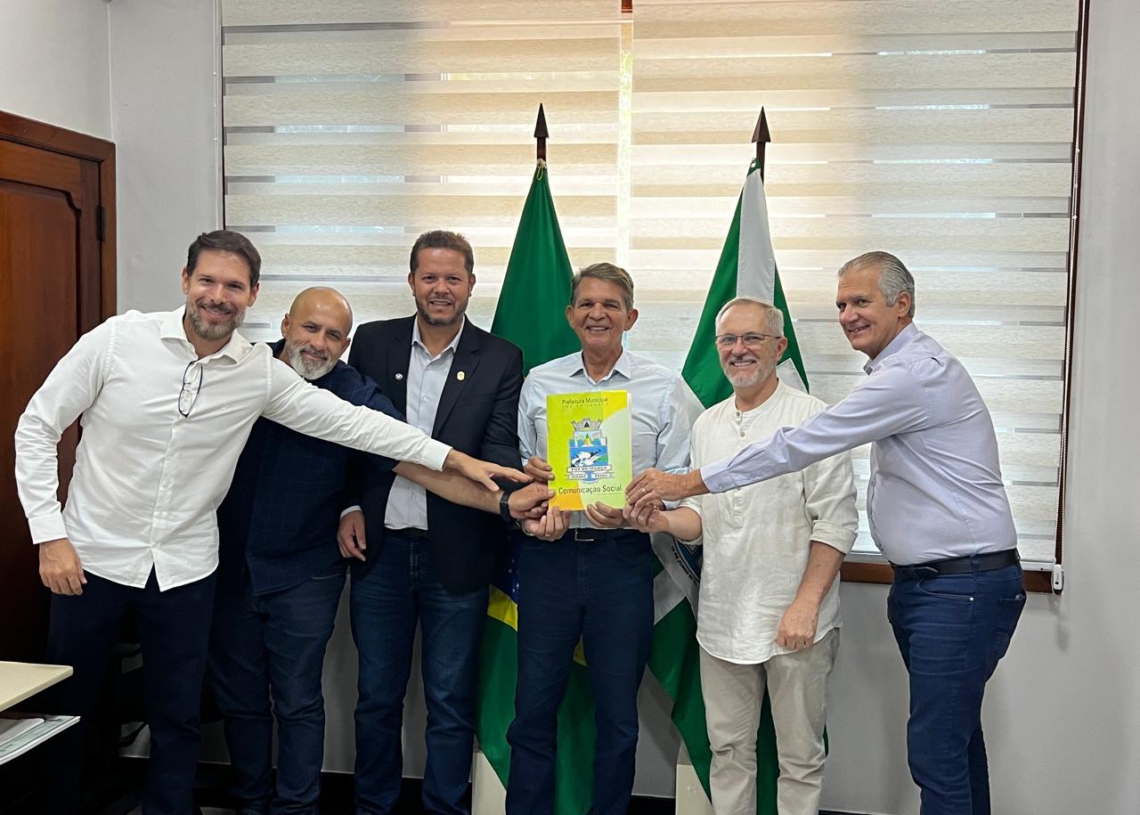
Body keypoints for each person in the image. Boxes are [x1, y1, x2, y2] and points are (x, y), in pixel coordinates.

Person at [13, 230, 521, 815]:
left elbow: (358, 426)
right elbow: (37, 427)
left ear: (252, 295)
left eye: (233, 286)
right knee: (69, 709)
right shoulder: (117, 340)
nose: (218, 296)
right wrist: (49, 535)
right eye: (208, 281)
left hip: (185, 569)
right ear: (186, 281)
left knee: (177, 717)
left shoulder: (256, 373)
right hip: (88, 558)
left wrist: (456, 459)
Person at [628, 252, 1027, 815]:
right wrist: (669, 513)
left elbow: (802, 445)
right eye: (841, 303)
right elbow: (711, 524)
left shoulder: (910, 376)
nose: (847, 315)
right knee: (955, 745)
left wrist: (688, 481)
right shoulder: (717, 419)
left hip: (959, 586)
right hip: (928, 585)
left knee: (936, 752)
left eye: (861, 301)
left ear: (902, 304)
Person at [210, 287, 549, 815]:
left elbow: (407, 454)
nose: (318, 344)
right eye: (309, 329)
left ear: (347, 344)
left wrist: (502, 500)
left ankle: (297, 808)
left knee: (300, 701)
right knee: (241, 702)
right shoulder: (241, 370)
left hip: (305, 569)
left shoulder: (350, 390)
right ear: (284, 324)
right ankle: (252, 803)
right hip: (227, 565)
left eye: (333, 335)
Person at [625, 297, 857, 815]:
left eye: (752, 338)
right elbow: (701, 520)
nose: (739, 350)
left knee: (798, 757)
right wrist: (661, 520)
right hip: (723, 619)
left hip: (796, 619)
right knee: (728, 751)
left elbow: (836, 522)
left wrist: (806, 604)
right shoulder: (707, 425)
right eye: (728, 340)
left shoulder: (813, 419)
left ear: (778, 347)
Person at [336, 230, 525, 815]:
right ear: (412, 279)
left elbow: (494, 456)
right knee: (376, 697)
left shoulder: (500, 358)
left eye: (453, 278)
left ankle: (445, 808)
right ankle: (373, 806)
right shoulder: (369, 342)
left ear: (471, 283)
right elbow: (345, 434)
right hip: (380, 549)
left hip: (459, 553)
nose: (440, 289)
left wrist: (409, 462)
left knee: (449, 700)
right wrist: (347, 505)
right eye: (429, 276)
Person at [506, 262, 696, 815]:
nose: (598, 313)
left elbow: (677, 484)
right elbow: (522, 470)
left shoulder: (663, 388)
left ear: (630, 317)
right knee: (532, 710)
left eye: (611, 305)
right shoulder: (539, 383)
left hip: (623, 561)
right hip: (548, 559)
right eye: (587, 303)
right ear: (570, 315)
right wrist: (537, 488)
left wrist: (640, 509)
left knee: (618, 716)